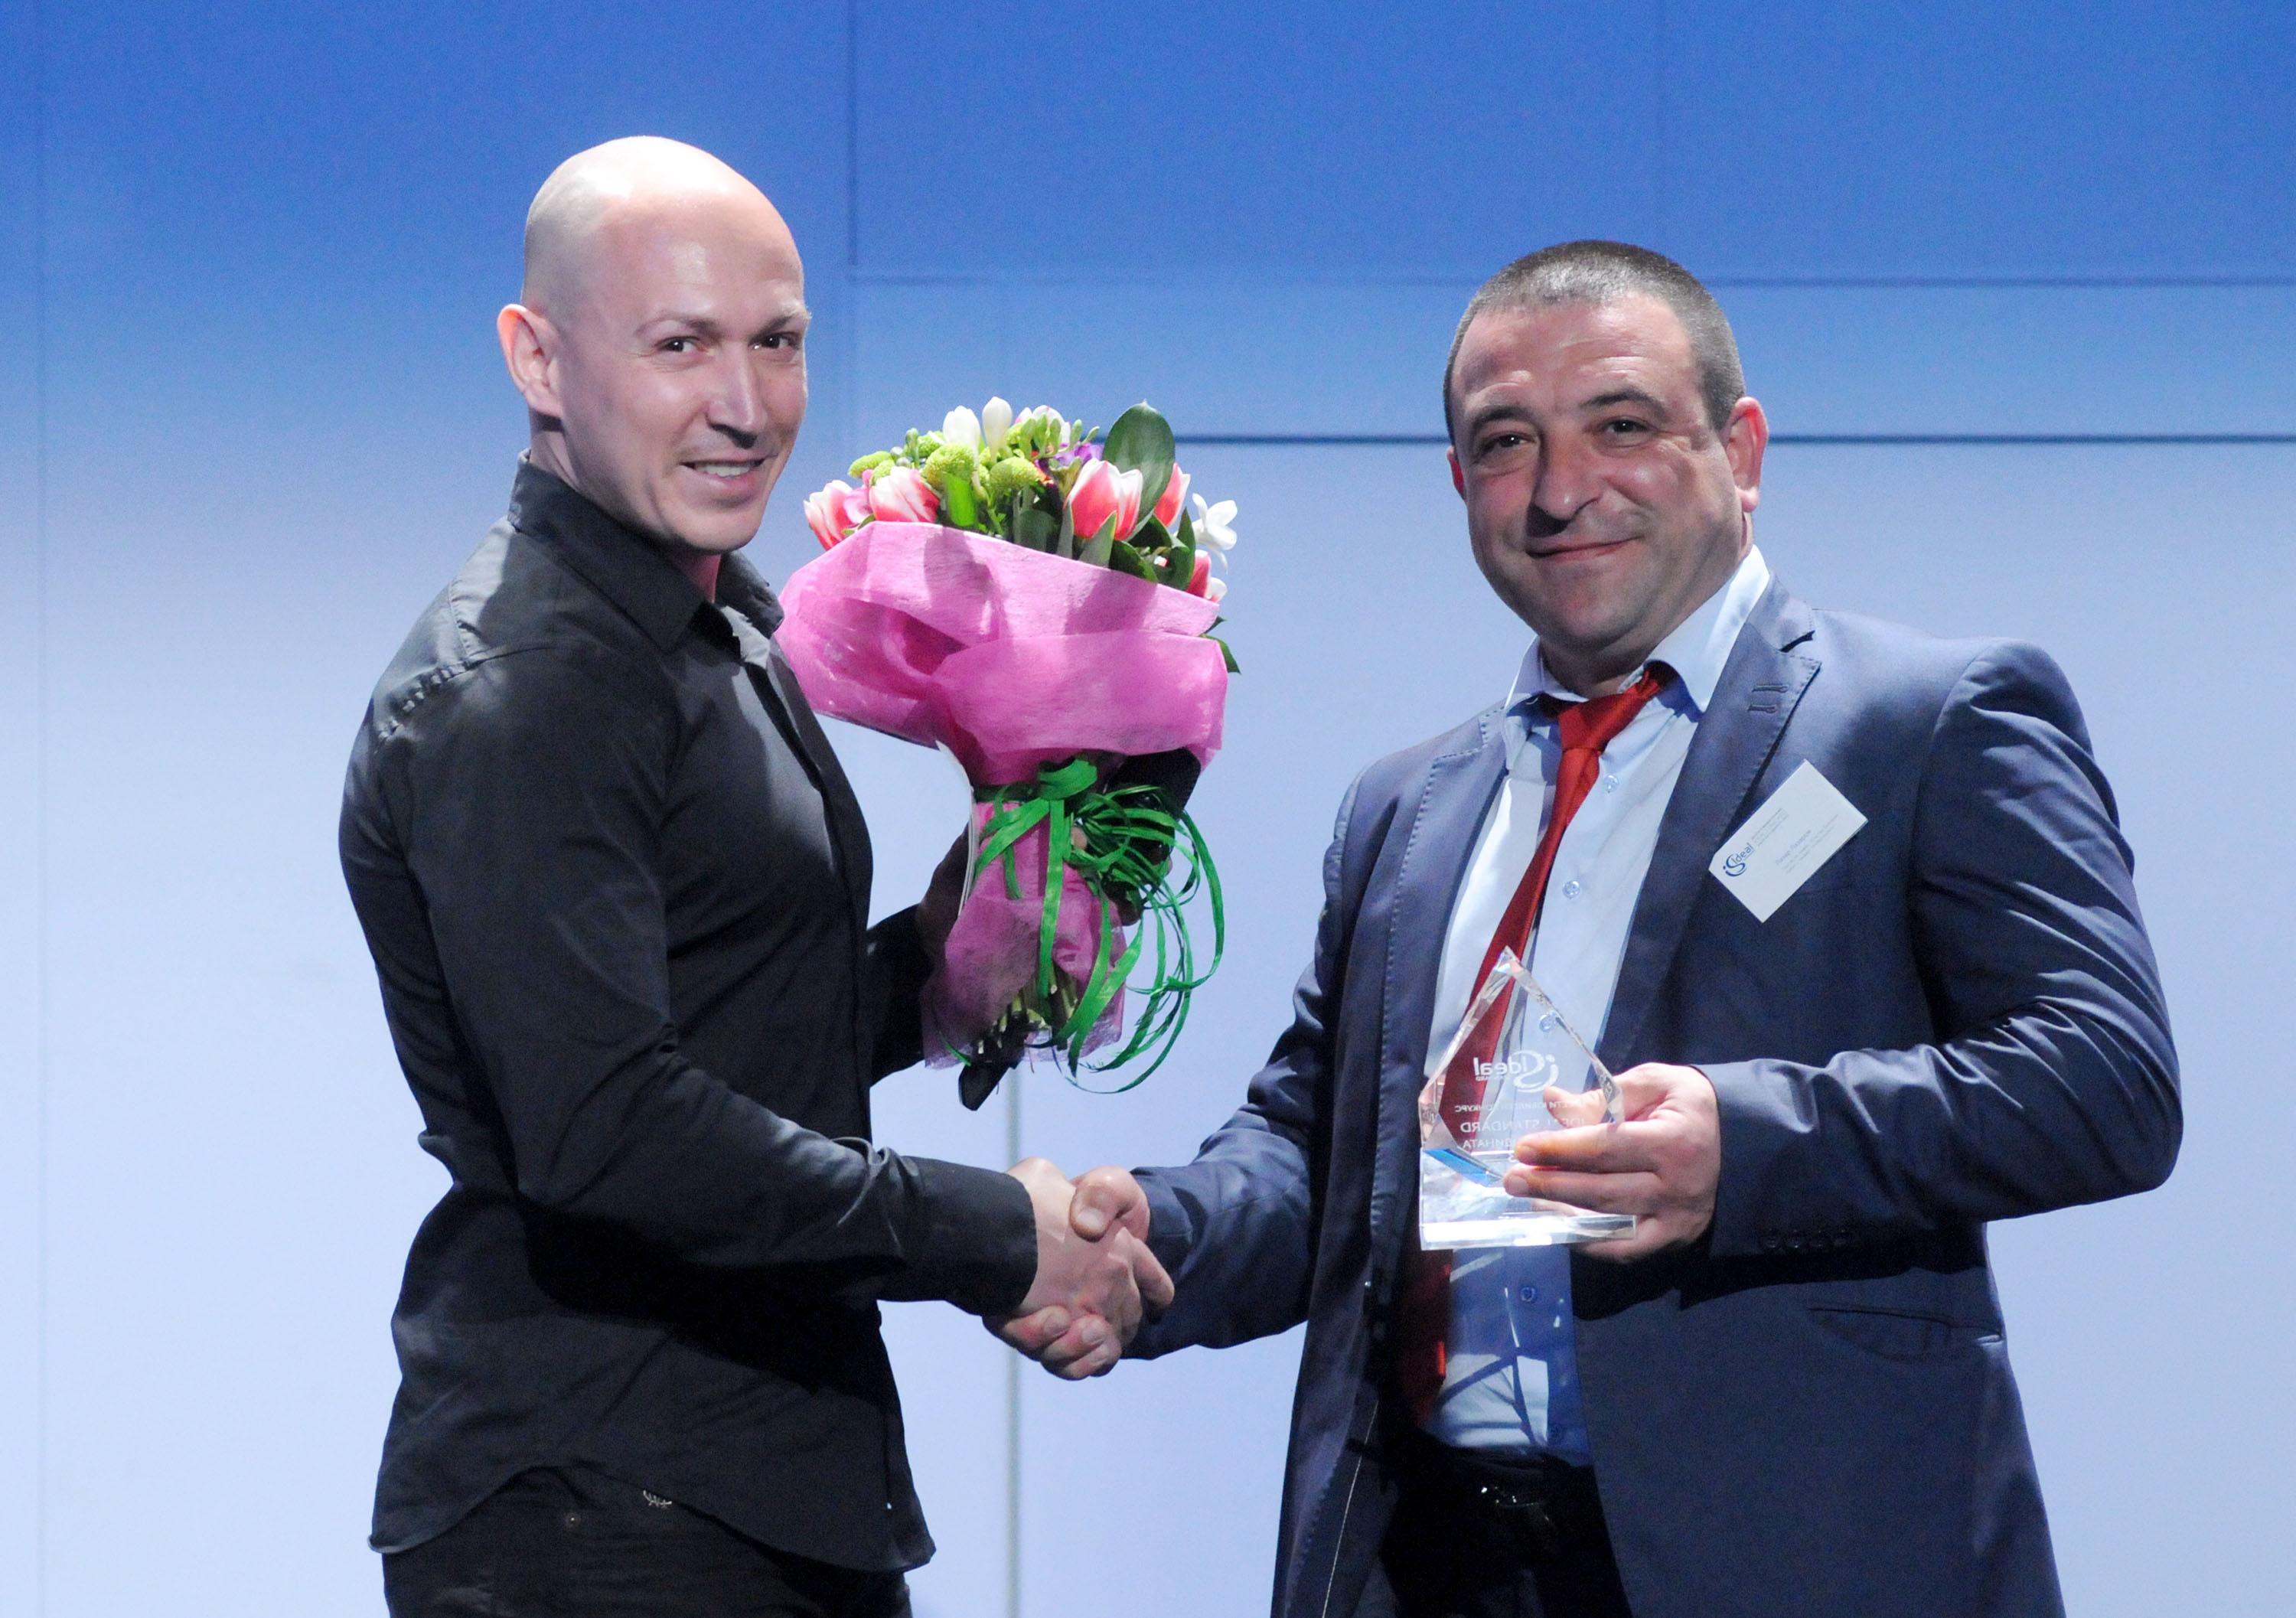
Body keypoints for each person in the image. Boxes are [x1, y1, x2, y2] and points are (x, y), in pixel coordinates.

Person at [1003, 240, 2180, 1618]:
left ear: (1740, 451)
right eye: (1509, 443)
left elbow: (2107, 1079)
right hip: (1436, 1563)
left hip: (1797, 1563)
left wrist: (1746, 1147)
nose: (1563, 490)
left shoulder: (1926, 722)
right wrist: (1153, 1242)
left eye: (1621, 425)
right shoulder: (1406, 806)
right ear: (1459, 480)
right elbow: (1327, 1154)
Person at [339, 136, 1167, 1618]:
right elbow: (609, 1126)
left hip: (749, 1481)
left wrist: (946, 961)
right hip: (603, 1507)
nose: (745, 403)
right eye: (681, 346)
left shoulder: (707, 629)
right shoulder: (531, 682)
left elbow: (737, 1028)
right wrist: (996, 1235)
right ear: (537, 357)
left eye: (777, 341)